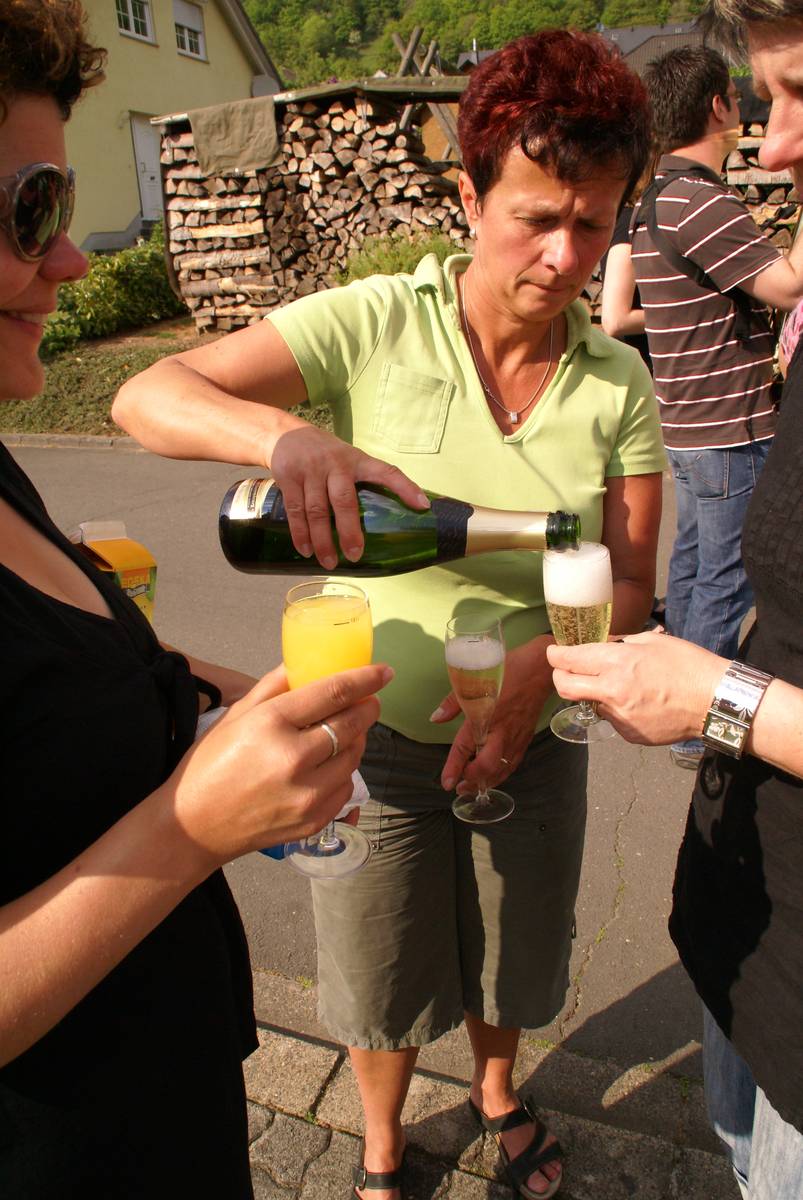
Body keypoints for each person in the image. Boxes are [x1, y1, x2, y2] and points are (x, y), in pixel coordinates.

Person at [113, 31, 665, 1200]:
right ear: (466, 197)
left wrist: (534, 672)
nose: (566, 257)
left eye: (595, 222)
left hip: (534, 724)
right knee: (374, 960)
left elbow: (627, 581)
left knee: (513, 949)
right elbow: (145, 394)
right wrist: (286, 435)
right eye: (535, 218)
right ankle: (375, 1145)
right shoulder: (374, 323)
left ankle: (500, 1092)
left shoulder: (615, 381)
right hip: (365, 733)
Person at [0, 3, 390, 1195]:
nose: (71, 259)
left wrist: (234, 699)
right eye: (30, 212)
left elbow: (66, 679)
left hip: (161, 1109)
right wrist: (188, 828)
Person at [547, 10, 803, 1195]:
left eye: (799, 97)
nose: (774, 145)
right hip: (749, 954)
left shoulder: (659, 209)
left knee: (698, 600)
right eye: (761, 101)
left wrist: (713, 697)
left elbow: (614, 320)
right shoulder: (692, 201)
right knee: (714, 592)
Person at [630, 44, 803, 771]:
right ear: (717, 107)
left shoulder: (654, 199)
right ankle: (699, 725)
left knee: (697, 564)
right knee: (726, 580)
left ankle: (682, 703)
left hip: (688, 420)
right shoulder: (697, 198)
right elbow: (786, 286)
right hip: (727, 425)